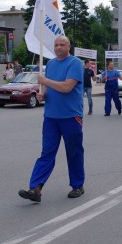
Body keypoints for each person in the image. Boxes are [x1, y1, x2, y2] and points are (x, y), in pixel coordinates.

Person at [19, 36, 85, 203]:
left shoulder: (75, 63)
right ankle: (35, 188)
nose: (58, 47)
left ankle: (77, 185)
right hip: (51, 117)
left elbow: (67, 87)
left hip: (71, 116)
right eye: (56, 44)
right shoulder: (51, 64)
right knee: (47, 153)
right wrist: (43, 94)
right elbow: (48, 87)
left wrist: (45, 81)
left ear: (69, 46)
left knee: (74, 152)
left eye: (62, 44)